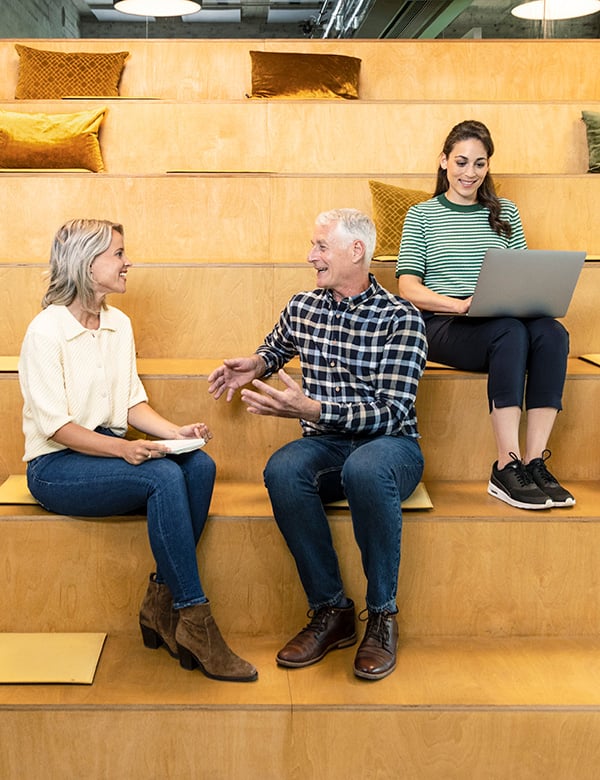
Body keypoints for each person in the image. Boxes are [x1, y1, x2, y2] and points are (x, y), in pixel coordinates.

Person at [18, 218, 257, 683]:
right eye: (118, 254)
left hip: (106, 447)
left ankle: (158, 604)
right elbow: (59, 428)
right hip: (56, 465)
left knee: (199, 465)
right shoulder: (45, 333)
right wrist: (126, 452)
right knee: (163, 477)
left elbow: (131, 403)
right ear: (88, 266)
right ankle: (194, 619)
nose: (129, 263)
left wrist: (174, 433)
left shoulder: (118, 323)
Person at [208, 208, 427, 681]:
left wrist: (314, 411)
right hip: (328, 445)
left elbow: (391, 412)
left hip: (391, 447)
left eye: (321, 247)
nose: (311, 257)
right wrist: (255, 364)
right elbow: (276, 347)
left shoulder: (401, 318)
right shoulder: (303, 306)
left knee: (365, 469)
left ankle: (382, 617)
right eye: (313, 246)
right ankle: (332, 611)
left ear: (357, 251)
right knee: (283, 470)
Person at [396, 119, 574, 510]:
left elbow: (523, 275)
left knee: (553, 334)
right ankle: (505, 465)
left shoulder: (505, 211)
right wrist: (459, 304)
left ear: (488, 167)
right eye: (461, 162)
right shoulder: (422, 215)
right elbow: (408, 287)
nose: (469, 173)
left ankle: (533, 463)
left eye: (479, 164)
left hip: (499, 318)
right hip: (444, 322)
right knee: (510, 332)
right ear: (443, 162)